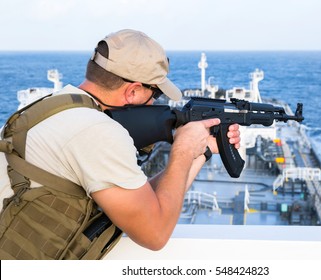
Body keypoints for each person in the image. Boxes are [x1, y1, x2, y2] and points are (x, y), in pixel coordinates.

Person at [0, 29, 240, 255]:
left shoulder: (54, 105)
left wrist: (201, 150)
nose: (153, 104)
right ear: (133, 91)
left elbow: (142, 201)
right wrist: (183, 150)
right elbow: (154, 234)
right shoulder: (98, 131)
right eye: (155, 94)